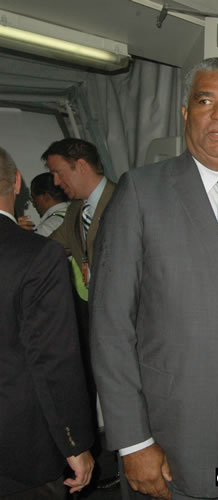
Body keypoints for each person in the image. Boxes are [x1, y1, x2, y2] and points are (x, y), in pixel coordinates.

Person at [89, 57, 218, 499]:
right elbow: (110, 326)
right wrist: (133, 441)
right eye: (205, 100)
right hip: (174, 451)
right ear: (185, 113)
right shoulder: (141, 192)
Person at [0, 146, 95, 497]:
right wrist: (76, 443)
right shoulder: (36, 255)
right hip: (18, 447)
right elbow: (53, 359)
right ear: (17, 182)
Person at [45, 138, 116, 293]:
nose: (55, 182)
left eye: (58, 172)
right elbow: (47, 249)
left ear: (81, 166)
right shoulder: (74, 211)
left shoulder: (123, 200)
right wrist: (17, 236)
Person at [29, 172, 70, 237]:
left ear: (46, 197)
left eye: (34, 198)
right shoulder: (79, 215)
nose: (34, 204)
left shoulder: (46, 228)